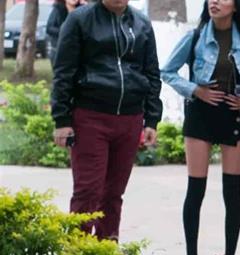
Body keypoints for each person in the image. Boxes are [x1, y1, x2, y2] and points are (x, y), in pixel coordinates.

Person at [161, 0, 240, 255]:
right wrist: (195, 90)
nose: (215, 2)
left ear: (236, 5)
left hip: (233, 114)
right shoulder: (195, 36)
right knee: (196, 188)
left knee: (232, 191)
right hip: (201, 114)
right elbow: (168, 71)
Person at [50, 0, 162, 241]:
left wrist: (152, 118)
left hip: (130, 119)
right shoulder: (80, 19)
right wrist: (62, 119)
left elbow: (152, 72)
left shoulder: (141, 23)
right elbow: (63, 71)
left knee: (113, 194)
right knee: (87, 192)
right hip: (90, 117)